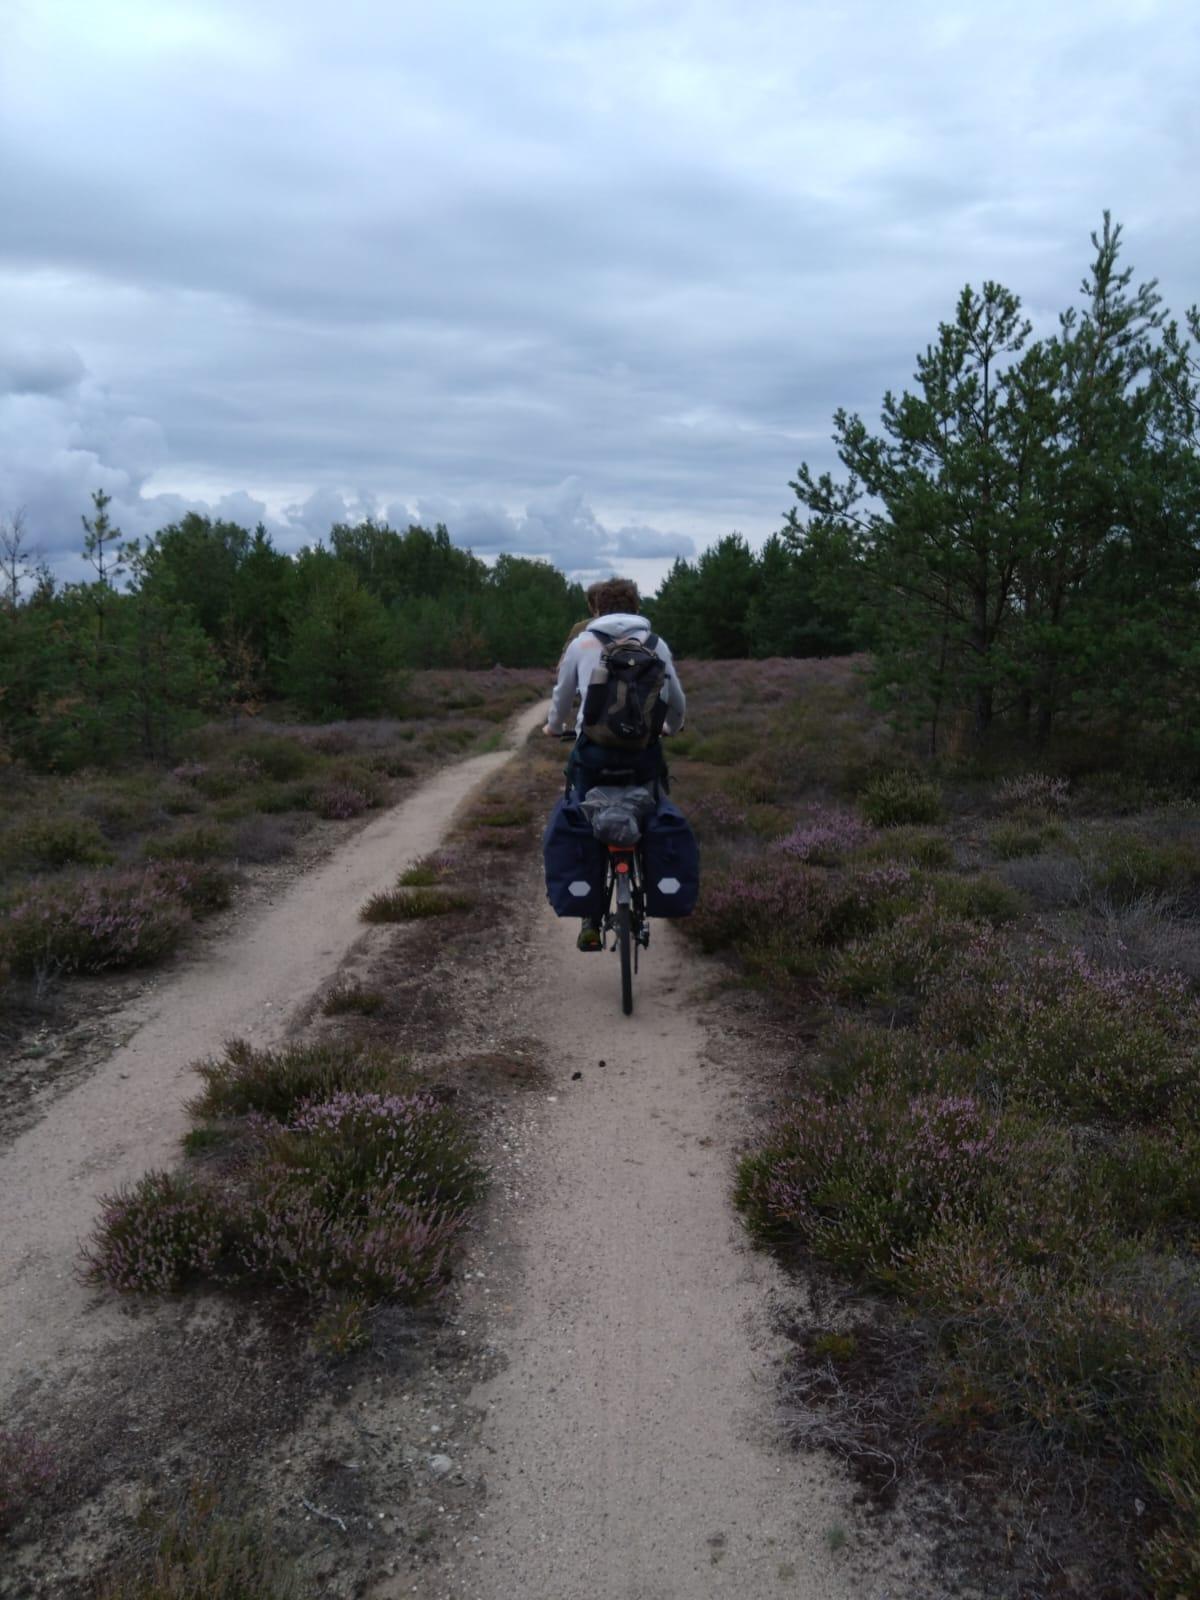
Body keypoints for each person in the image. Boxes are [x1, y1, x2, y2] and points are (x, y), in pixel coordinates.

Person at [544, 577, 686, 949]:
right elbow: (676, 700)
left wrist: (554, 727)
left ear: (596, 608)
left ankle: (590, 918)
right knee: (655, 809)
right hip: (643, 754)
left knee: (581, 815)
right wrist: (671, 727)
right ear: (636, 606)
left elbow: (562, 696)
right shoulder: (655, 644)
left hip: (593, 753)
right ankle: (653, 884)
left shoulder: (582, 644)